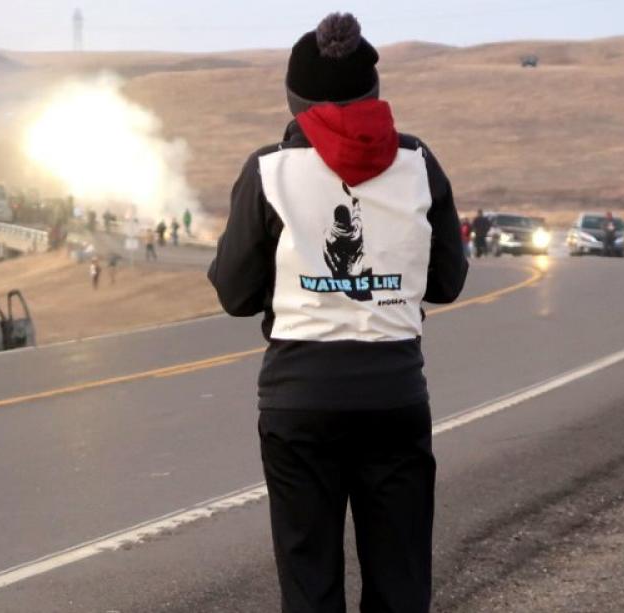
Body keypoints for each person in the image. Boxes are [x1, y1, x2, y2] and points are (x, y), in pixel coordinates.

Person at [208, 13, 467, 613]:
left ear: (296, 100)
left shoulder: (268, 170)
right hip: (393, 395)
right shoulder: (420, 164)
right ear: (373, 94)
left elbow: (234, 295)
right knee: (400, 582)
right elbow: (448, 282)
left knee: (309, 583)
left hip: (299, 401)